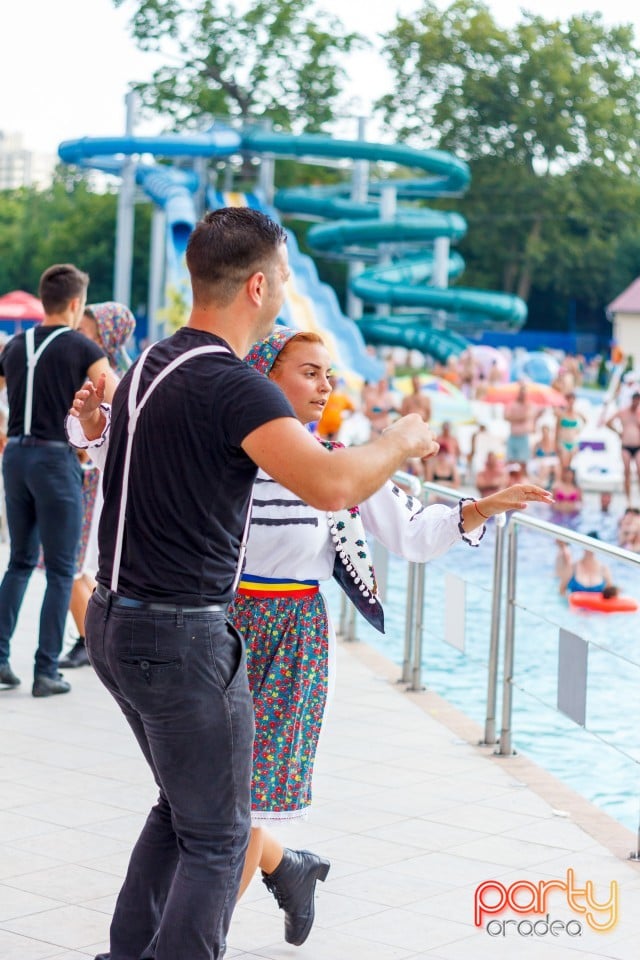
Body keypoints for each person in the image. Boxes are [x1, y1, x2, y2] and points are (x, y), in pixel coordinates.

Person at [66, 207, 439, 960]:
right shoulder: (234, 385)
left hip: (114, 621)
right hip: (181, 636)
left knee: (180, 810)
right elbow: (332, 484)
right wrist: (401, 439)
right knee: (220, 835)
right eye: (287, 277)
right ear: (260, 286)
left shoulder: (153, 362)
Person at [229, 327, 552, 942]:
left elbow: (413, 534)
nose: (325, 386)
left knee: (241, 805)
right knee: (208, 797)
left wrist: (484, 507)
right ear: (265, 377)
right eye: (309, 372)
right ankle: (288, 869)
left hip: (292, 640)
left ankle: (201, 939)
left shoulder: (339, 463)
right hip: (221, 632)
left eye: (328, 374)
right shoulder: (227, 457)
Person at [0, 264, 117, 696]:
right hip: (54, 458)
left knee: (19, 562)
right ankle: (46, 670)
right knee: (62, 569)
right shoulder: (80, 346)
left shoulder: (15, 344)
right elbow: (116, 394)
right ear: (74, 303)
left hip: (15, 456)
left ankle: (0, 659)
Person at [61, 302, 136, 669]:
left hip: (92, 483)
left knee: (73, 566)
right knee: (77, 567)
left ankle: (90, 640)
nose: (80, 335)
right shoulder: (106, 374)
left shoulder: (112, 381)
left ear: (107, 336)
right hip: (83, 480)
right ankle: (94, 639)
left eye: (88, 331)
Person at [606, 392, 640, 503]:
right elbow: (608, 422)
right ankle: (628, 500)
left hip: (637, 446)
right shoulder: (623, 412)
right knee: (627, 472)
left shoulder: (638, 413)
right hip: (626, 446)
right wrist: (618, 432)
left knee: (639, 470)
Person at [503, 382, 542, 466]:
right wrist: (520, 417)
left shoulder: (530, 405)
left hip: (524, 436)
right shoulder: (512, 404)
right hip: (513, 436)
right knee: (510, 461)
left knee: (523, 462)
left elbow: (533, 415)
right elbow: (506, 417)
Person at [555, 392, 585, 467]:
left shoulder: (577, 413)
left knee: (570, 466)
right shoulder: (561, 414)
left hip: (573, 442)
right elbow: (557, 429)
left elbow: (585, 421)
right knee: (563, 465)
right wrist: (556, 443)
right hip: (563, 442)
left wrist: (579, 430)